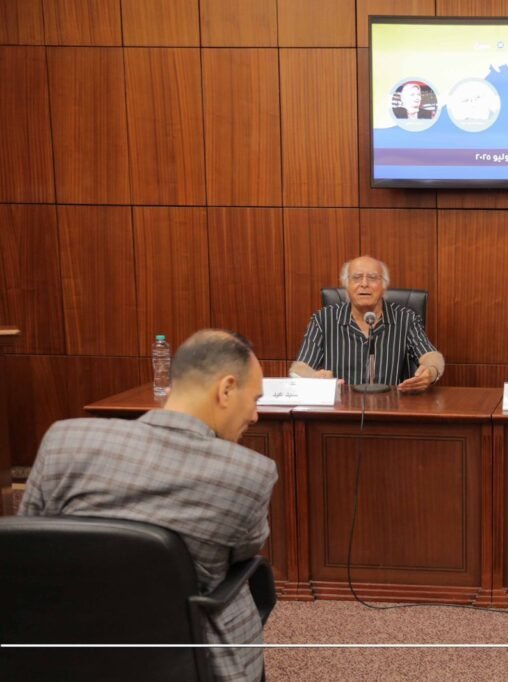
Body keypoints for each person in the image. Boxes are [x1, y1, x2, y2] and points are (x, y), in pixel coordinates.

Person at [19, 329, 277, 682]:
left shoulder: (63, 440)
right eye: (255, 399)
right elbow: (242, 553)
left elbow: (26, 539)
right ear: (227, 389)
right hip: (190, 657)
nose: (255, 415)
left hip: (65, 643)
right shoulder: (249, 474)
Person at [290, 255, 444, 392]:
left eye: (372, 278)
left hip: (390, 407)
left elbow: (431, 356)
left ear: (384, 286)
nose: (364, 284)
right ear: (346, 285)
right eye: (356, 277)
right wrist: (314, 377)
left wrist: (430, 372)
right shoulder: (323, 319)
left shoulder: (406, 318)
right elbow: (299, 368)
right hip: (340, 409)